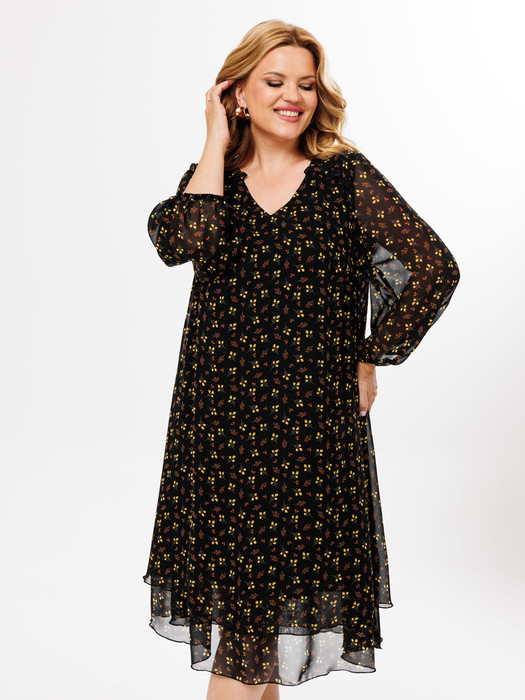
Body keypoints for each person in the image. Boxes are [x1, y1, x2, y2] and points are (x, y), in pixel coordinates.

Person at [143, 19, 460, 700]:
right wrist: (214, 138)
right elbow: (182, 240)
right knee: (249, 629)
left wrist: (369, 357)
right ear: (238, 93)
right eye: (274, 81)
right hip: (219, 427)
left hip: (309, 427)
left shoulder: (344, 176)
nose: (293, 96)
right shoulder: (210, 180)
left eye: (306, 84)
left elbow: (433, 267)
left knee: (247, 637)